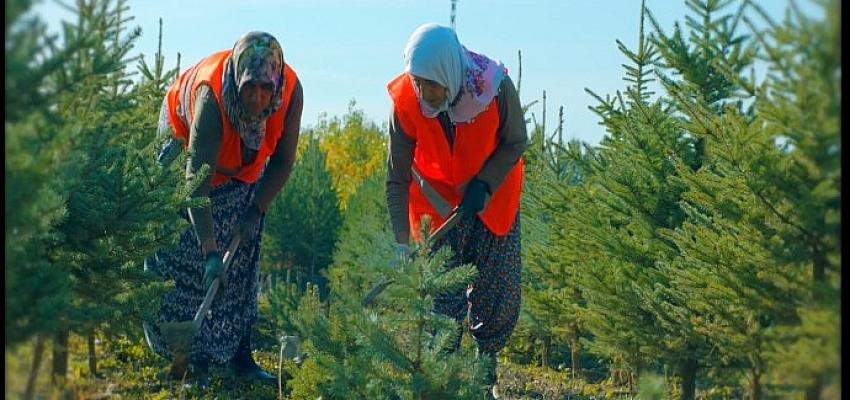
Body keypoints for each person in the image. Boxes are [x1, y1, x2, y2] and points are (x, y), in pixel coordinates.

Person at [143, 31, 303, 388]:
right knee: (185, 256)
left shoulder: (290, 94)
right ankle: (189, 360)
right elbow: (195, 182)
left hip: (244, 165)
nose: (258, 98)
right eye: (250, 87)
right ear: (236, 79)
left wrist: (254, 211)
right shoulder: (211, 98)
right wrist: (210, 250)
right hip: (185, 150)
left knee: (243, 254)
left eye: (265, 88)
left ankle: (237, 355)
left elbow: (282, 163)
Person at [385, 23, 527, 399]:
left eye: (430, 83)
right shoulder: (406, 102)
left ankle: (484, 369)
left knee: (498, 286)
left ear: (449, 72)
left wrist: (486, 182)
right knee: (442, 295)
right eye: (416, 81)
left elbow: (517, 140)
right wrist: (402, 242)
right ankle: (442, 377)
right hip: (436, 203)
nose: (422, 91)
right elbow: (396, 179)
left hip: (490, 195)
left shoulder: (493, 87)